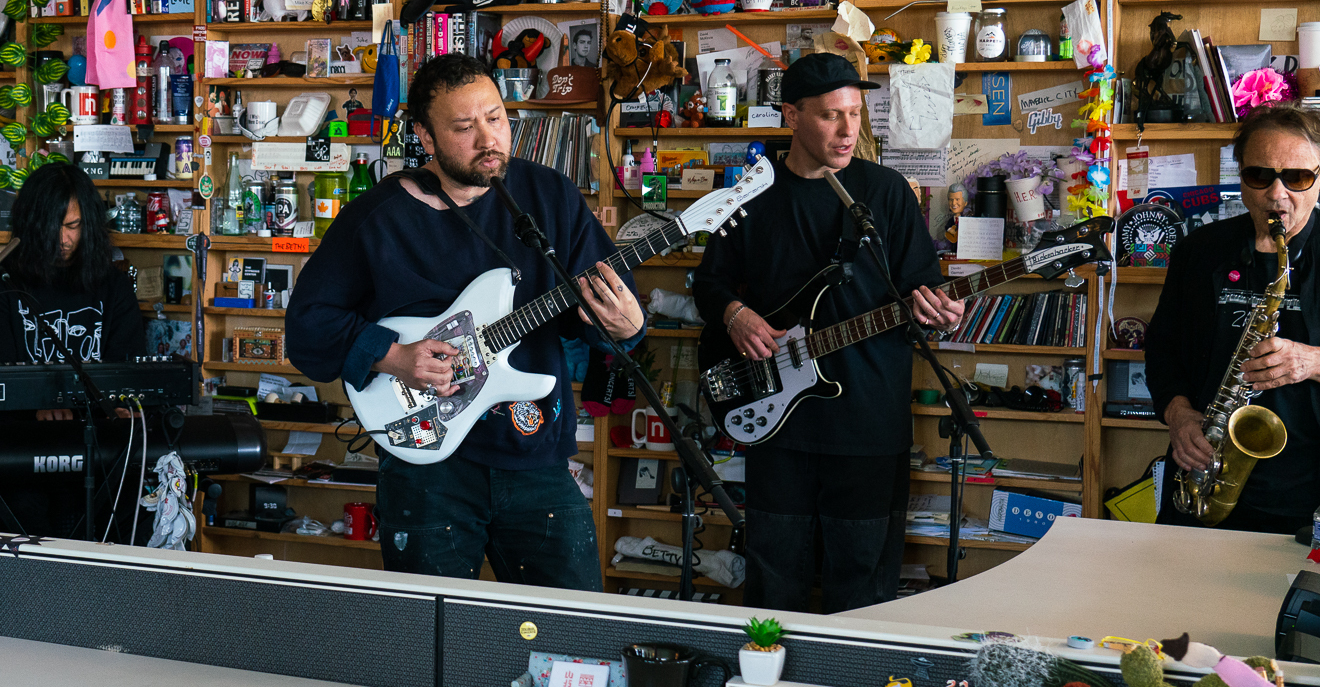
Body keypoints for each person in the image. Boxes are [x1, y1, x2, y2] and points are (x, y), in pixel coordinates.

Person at [287, 53, 644, 590]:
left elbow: (599, 312)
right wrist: (392, 356)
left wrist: (625, 326)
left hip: (534, 451)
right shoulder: (377, 217)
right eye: (463, 127)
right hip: (425, 466)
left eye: (496, 118)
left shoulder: (549, 197)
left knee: (573, 627)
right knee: (431, 637)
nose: (488, 140)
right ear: (425, 138)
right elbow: (308, 327)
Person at [693, 53, 966, 613]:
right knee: (773, 573)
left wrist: (939, 310)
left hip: (867, 420)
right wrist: (736, 315)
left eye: (855, 113)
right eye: (829, 116)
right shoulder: (749, 193)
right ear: (791, 116)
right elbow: (710, 283)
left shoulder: (887, 192)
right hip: (775, 416)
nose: (848, 132)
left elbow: (920, 287)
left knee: (863, 583)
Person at [1145, 103, 1320, 535]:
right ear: (1240, 173)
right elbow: (1162, 349)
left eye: (1296, 177)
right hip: (1203, 478)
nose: (1277, 195)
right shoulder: (1200, 251)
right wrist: (1178, 415)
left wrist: (1311, 361)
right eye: (1260, 175)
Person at [0, 163, 144, 420]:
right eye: (52, 228)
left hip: (102, 444)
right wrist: (35, 413)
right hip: (21, 445)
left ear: (89, 224)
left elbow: (128, 378)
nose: (63, 239)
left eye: (73, 225)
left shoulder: (115, 287)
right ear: (31, 226)